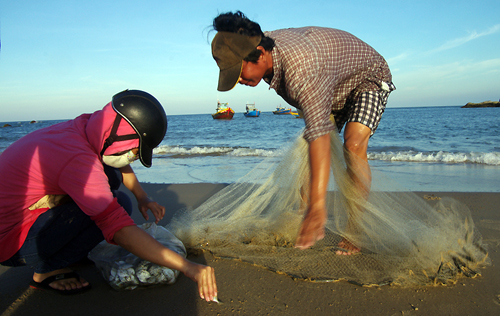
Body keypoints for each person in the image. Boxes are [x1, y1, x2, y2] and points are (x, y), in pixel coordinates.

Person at [0, 90, 217, 300]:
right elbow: (118, 229)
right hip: (10, 242)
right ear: (119, 137)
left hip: (25, 215)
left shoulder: (87, 127)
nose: (132, 158)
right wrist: (188, 267)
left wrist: (143, 197)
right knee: (109, 210)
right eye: (134, 152)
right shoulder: (78, 159)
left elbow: (114, 156)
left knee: (116, 194)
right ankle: (46, 270)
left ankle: (66, 252)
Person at [211, 11, 395, 254]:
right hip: (331, 83)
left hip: (367, 77)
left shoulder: (302, 68)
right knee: (307, 156)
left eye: (239, 71)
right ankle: (306, 222)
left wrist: (319, 205)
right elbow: (315, 135)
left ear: (262, 54)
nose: (238, 81)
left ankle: (354, 230)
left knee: (353, 145)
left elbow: (319, 132)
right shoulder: (260, 46)